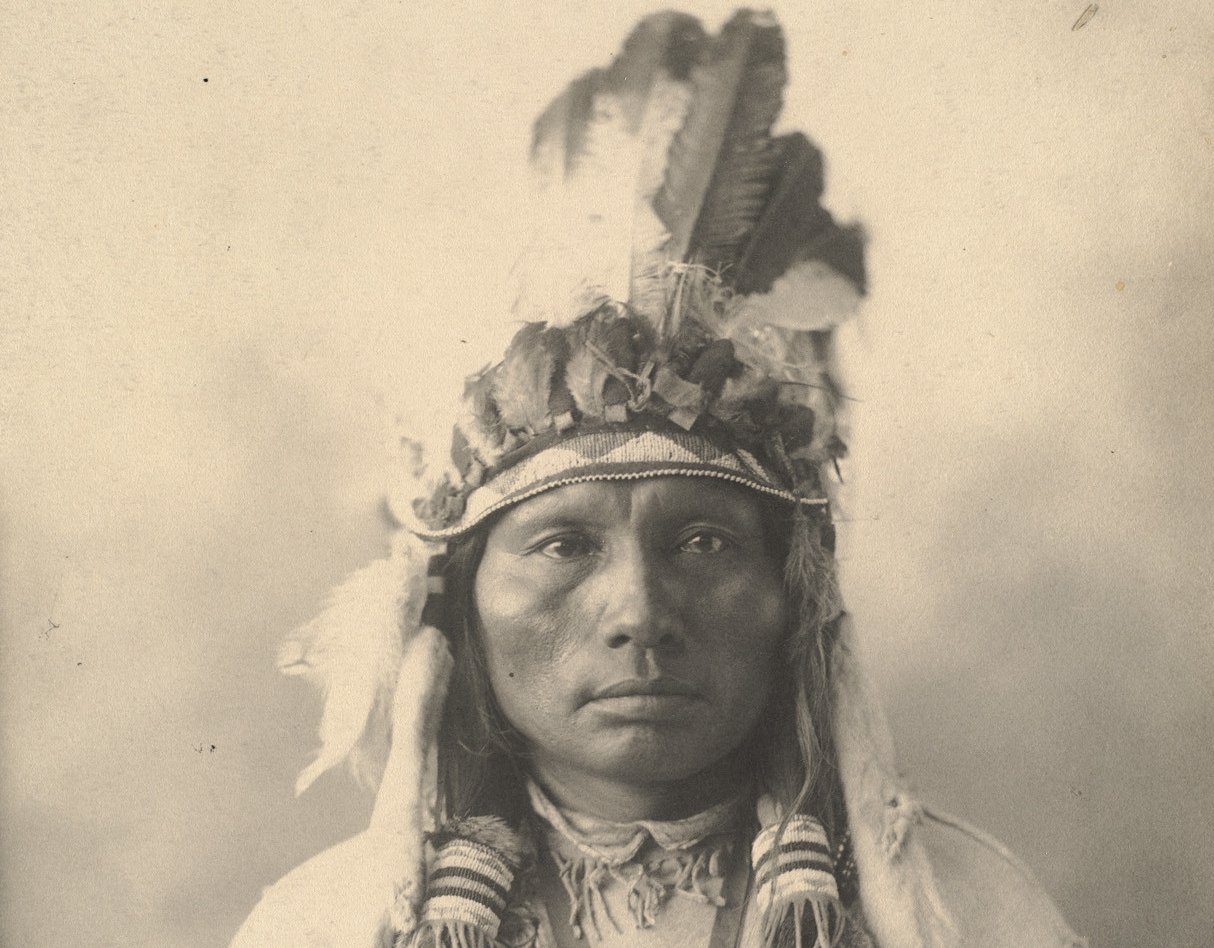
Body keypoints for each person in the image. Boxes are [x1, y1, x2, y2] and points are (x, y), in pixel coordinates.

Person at [231, 11, 1085, 947]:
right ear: (461, 604)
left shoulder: (970, 915)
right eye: (563, 543)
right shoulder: (316, 927)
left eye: (704, 541)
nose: (639, 608)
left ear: (795, 596)